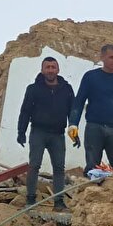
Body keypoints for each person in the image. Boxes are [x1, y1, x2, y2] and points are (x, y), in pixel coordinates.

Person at [17, 56, 76, 210]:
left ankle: (59, 202)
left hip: (58, 134)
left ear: (58, 69)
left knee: (59, 168)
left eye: (53, 67)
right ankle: (30, 200)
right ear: (42, 70)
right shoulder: (33, 89)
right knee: (34, 165)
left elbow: (73, 112)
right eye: (47, 67)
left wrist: (74, 130)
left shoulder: (67, 89)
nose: (50, 70)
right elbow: (25, 111)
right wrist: (21, 131)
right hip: (38, 132)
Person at [69, 44, 113, 170]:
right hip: (94, 127)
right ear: (102, 57)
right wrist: (73, 124)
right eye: (111, 57)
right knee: (92, 167)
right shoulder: (90, 77)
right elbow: (78, 102)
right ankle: (92, 190)